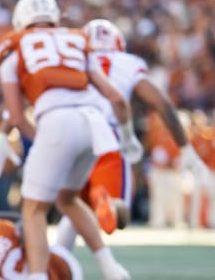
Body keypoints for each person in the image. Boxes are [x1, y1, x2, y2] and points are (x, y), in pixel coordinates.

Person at [0, 0, 140, 280]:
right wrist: (128, 138)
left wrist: (32, 137)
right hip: (94, 123)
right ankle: (112, 270)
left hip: (58, 122)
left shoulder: (13, 46)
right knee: (68, 199)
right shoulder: (76, 38)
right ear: (54, 18)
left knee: (33, 209)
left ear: (20, 21)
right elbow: (117, 98)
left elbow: (16, 115)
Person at [54, 19, 212, 247]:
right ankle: (104, 201)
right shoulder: (127, 63)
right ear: (118, 43)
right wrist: (185, 148)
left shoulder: (70, 61)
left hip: (71, 133)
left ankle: (55, 265)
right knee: (119, 214)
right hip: (109, 133)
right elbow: (162, 104)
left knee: (71, 206)